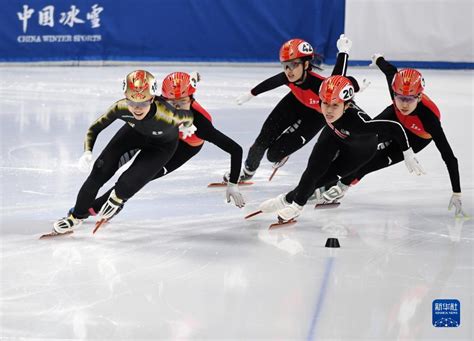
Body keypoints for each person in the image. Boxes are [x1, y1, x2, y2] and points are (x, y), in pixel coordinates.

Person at [257, 75, 424, 223]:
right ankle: (293, 204)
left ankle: (287, 201)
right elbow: (340, 74)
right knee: (312, 171)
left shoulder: (359, 124)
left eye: (335, 105)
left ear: (346, 105)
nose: (328, 110)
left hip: (359, 152)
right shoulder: (333, 106)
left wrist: (407, 152)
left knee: (322, 180)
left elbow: (394, 127)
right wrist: (344, 53)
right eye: (325, 104)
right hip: (334, 134)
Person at [322, 55, 466, 217]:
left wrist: (457, 192)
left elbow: (449, 156)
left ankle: (342, 186)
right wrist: (378, 59)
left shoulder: (429, 119)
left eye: (409, 99)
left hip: (417, 137)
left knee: (372, 161)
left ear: (419, 97)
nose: (404, 104)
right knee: (361, 140)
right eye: (399, 97)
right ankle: (329, 175)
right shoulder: (398, 95)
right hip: (395, 117)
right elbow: (390, 71)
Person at [52, 70, 194, 234]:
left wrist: (189, 126)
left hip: (161, 147)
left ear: (152, 99)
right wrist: (87, 151)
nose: (137, 109)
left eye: (143, 103)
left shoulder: (167, 115)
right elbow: (95, 128)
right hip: (133, 135)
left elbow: (188, 116)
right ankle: (75, 217)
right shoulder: (120, 107)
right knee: (99, 172)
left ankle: (118, 199)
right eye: (132, 102)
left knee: (126, 184)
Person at [89, 71, 245, 214]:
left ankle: (97, 206)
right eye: (171, 102)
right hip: (161, 134)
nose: (176, 108)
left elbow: (236, 149)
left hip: (185, 146)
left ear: (191, 99)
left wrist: (233, 184)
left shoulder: (202, 126)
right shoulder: (157, 104)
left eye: (182, 102)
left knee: (143, 175)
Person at [228, 36, 352, 182]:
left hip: (315, 116)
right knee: (262, 140)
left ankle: (283, 154)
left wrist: (343, 52)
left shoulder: (319, 85)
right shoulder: (288, 77)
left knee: (272, 155)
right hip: (294, 102)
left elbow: (338, 78)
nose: (289, 71)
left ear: (306, 64)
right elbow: (271, 83)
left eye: (294, 64)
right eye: (285, 65)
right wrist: (251, 94)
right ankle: (247, 173)